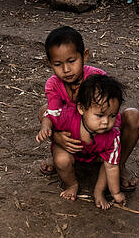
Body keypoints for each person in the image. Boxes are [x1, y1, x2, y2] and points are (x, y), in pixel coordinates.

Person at [35, 26, 139, 192]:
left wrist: (106, 143)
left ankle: (118, 164)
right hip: (72, 140)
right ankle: (59, 155)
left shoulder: (97, 79)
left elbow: (111, 116)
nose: (66, 69)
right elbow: (53, 114)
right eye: (58, 64)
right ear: (49, 63)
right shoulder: (54, 84)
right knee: (44, 111)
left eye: (71, 61)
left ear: (84, 55)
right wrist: (56, 138)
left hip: (100, 138)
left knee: (133, 116)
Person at [44, 73, 128, 209]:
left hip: (94, 156)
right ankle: (72, 184)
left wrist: (116, 193)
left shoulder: (113, 137)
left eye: (112, 115)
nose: (106, 122)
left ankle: (98, 192)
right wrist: (49, 131)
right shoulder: (68, 116)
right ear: (81, 108)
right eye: (100, 115)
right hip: (70, 152)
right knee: (61, 160)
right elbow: (48, 114)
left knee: (110, 162)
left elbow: (111, 167)